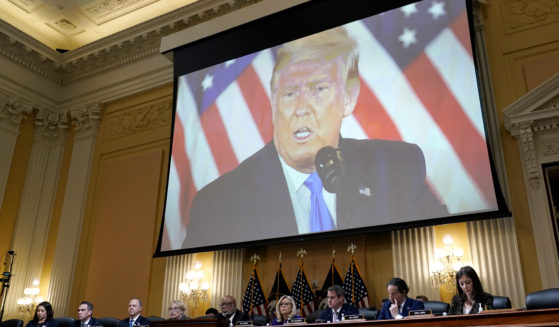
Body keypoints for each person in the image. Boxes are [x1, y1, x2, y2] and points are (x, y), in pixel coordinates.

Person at [183, 26, 447, 248]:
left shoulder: (397, 168)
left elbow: (435, 241)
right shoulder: (218, 203)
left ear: (349, 97)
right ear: (273, 103)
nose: (301, 108)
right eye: (289, 93)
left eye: (319, 89)